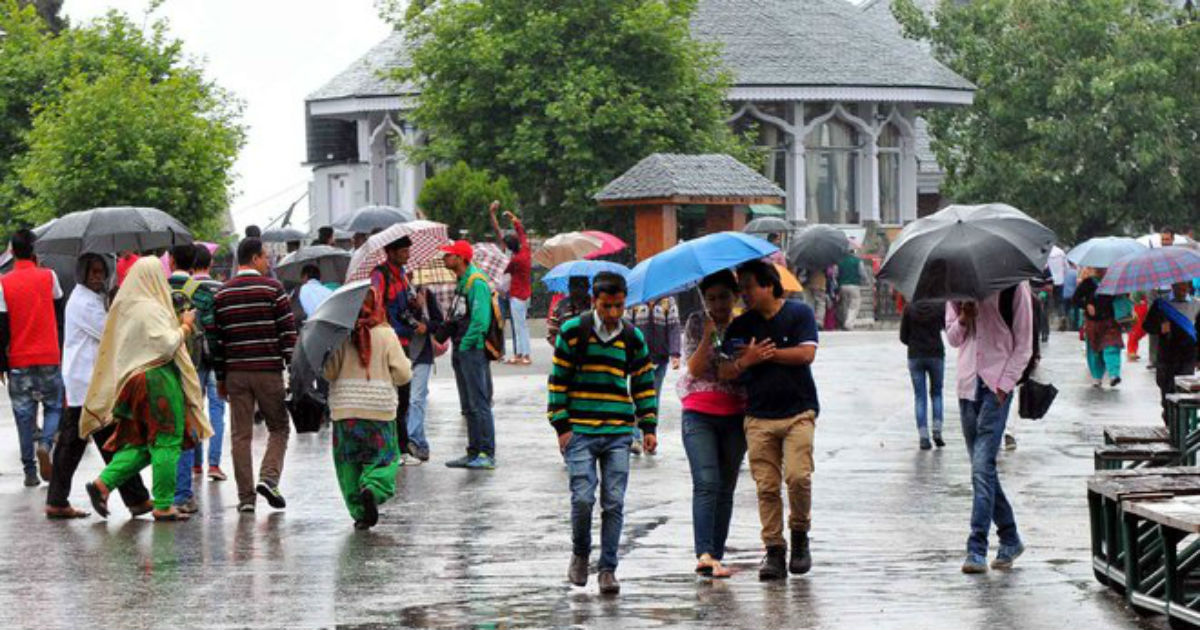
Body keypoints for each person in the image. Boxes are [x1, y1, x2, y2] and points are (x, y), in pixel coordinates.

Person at [550, 271, 657, 595]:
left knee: (614, 502)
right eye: (607, 306)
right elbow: (558, 381)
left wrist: (648, 426)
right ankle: (581, 553)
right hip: (579, 431)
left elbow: (642, 381)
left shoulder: (631, 336)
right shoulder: (572, 331)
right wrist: (562, 427)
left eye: (619, 307)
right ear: (595, 301)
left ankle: (608, 568)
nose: (613, 314)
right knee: (582, 499)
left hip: (618, 432)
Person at [81, 258, 212, 521]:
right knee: (167, 440)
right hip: (157, 379)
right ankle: (163, 505)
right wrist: (185, 326)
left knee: (141, 442)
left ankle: (103, 484)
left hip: (134, 382)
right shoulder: (150, 308)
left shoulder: (126, 307)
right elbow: (165, 345)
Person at [718, 260, 820, 581]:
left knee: (798, 477)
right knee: (766, 486)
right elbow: (723, 370)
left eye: (748, 286)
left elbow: (806, 354)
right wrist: (745, 361)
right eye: (741, 287)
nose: (744, 293)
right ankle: (774, 549)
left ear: (768, 285)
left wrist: (767, 354)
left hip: (799, 412)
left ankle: (800, 534)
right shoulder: (740, 326)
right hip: (758, 415)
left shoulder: (799, 313)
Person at [45, 254, 154, 519]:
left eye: (100, 271)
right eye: (92, 272)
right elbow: (109, 332)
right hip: (87, 384)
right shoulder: (83, 301)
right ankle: (134, 498)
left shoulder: (89, 299)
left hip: (89, 383)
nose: (97, 276)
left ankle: (130, 498)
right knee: (107, 441)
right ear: (82, 274)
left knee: (90, 443)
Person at [945, 282, 1033, 574]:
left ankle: (976, 548)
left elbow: (1024, 344)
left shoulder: (1014, 287)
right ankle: (1010, 537)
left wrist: (1004, 385)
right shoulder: (957, 285)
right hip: (967, 385)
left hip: (996, 387)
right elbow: (954, 339)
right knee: (982, 469)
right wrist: (963, 317)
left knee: (982, 468)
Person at [213, 237, 297, 513]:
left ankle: (246, 499)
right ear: (254, 258)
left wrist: (221, 378)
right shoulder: (273, 289)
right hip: (268, 372)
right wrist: (292, 368)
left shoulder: (222, 294)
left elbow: (218, 342)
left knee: (241, 435)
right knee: (279, 427)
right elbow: (287, 334)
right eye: (265, 256)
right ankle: (269, 478)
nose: (268, 261)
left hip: (236, 373)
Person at [324, 287, 413, 529]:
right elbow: (403, 375)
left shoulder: (341, 336)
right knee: (383, 459)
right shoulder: (386, 334)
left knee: (348, 464)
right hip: (379, 411)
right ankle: (373, 488)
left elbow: (329, 373)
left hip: (345, 412)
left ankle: (360, 513)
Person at [679, 270, 746, 579]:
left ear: (735, 296)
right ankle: (704, 552)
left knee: (726, 487)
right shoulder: (696, 323)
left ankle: (716, 555)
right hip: (699, 412)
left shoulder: (745, 324)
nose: (718, 304)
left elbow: (740, 370)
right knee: (706, 482)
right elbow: (692, 368)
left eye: (724, 297)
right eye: (712, 298)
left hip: (736, 414)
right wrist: (707, 337)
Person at [0, 228, 64, 487]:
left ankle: (29, 471)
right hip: (49, 354)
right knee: (53, 406)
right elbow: (59, 311)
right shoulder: (50, 276)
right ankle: (46, 444)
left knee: (23, 414)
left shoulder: (3, 282)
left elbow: (1, 328)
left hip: (19, 358)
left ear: (12, 251)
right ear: (34, 251)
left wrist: (1, 364)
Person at [440, 240, 497, 469]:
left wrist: (465, 346)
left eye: (449, 255)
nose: (445, 259)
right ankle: (473, 451)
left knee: (480, 402)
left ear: (461, 258)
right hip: (461, 348)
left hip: (472, 350)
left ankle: (486, 453)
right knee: (469, 404)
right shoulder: (462, 281)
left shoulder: (476, 282)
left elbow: (480, 321)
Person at [369, 236, 421, 465]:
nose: (408, 254)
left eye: (408, 250)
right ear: (390, 252)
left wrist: (415, 303)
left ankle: (401, 448)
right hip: (388, 342)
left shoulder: (403, 275)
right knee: (391, 397)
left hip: (404, 342)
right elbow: (375, 304)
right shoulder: (379, 275)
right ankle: (396, 449)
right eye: (403, 251)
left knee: (404, 395)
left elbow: (405, 307)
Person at [166, 244, 206, 514]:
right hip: (194, 367)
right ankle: (183, 493)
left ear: (169, 260)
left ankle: (170, 492)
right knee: (191, 422)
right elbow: (211, 329)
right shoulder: (201, 291)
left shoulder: (159, 288)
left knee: (168, 427)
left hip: (165, 362)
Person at [189, 245, 227, 482]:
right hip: (216, 354)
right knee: (217, 410)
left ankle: (195, 464)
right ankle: (214, 464)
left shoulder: (186, 289)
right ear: (210, 264)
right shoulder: (220, 289)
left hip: (193, 357)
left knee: (194, 409)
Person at [627, 296, 680, 454]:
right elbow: (627, 328)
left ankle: (650, 437)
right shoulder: (634, 301)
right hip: (637, 359)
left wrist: (675, 354)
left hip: (660, 358)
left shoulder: (668, 301)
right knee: (636, 398)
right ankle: (635, 438)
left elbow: (674, 328)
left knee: (653, 399)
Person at [1143, 282, 1199, 424]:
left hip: (1188, 356)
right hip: (1166, 356)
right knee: (1166, 390)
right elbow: (1147, 325)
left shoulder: (1196, 305)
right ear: (1173, 286)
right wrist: (1160, 328)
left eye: (1185, 287)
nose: (1183, 290)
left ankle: (1181, 425)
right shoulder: (1161, 304)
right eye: (1180, 287)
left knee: (1184, 392)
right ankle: (1169, 419)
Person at [404, 284, 444, 462]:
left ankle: (412, 440)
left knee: (416, 399)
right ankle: (420, 443)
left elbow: (439, 323)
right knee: (405, 402)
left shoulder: (425, 293)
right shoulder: (395, 294)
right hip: (401, 354)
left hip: (422, 354)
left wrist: (425, 326)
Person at [490, 201, 532, 366]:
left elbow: (505, 270)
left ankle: (523, 354)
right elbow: (522, 234)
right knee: (522, 325)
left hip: (516, 294)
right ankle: (522, 354)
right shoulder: (525, 251)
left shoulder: (515, 260)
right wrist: (514, 219)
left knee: (520, 326)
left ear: (508, 247)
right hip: (526, 293)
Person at [900, 301, 946, 450]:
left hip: (915, 355)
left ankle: (923, 436)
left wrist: (914, 342)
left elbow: (903, 336)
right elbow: (946, 327)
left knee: (920, 396)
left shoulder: (909, 308)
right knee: (937, 394)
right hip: (935, 354)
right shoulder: (939, 306)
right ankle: (937, 430)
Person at [1073, 268, 1124, 387]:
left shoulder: (1113, 283)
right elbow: (1075, 299)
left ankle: (1114, 374)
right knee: (1094, 350)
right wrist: (1086, 305)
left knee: (1112, 346)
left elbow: (1121, 299)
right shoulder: (1087, 283)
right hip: (1093, 323)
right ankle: (1097, 377)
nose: (1101, 270)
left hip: (1110, 321)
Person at [548, 277, 591, 346]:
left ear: (588, 287)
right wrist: (563, 347)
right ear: (569, 287)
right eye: (574, 286)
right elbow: (552, 334)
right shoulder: (560, 306)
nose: (577, 290)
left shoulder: (594, 306)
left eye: (581, 286)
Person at [835, 251, 865, 330]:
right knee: (854, 305)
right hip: (854, 285)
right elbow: (862, 273)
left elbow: (836, 274)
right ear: (853, 252)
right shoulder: (857, 261)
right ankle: (848, 324)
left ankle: (843, 322)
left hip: (842, 285)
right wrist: (865, 281)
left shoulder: (840, 261)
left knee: (844, 305)